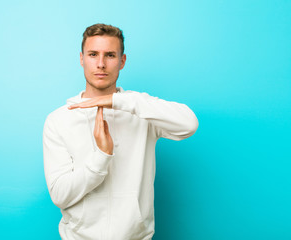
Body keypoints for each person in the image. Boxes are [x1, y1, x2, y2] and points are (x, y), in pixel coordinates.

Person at [43, 23, 199, 240]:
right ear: (81, 59)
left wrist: (120, 101)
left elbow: (189, 124)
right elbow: (60, 195)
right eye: (93, 54)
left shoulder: (141, 109)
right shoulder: (58, 120)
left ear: (122, 61)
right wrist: (101, 159)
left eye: (110, 55)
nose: (100, 64)